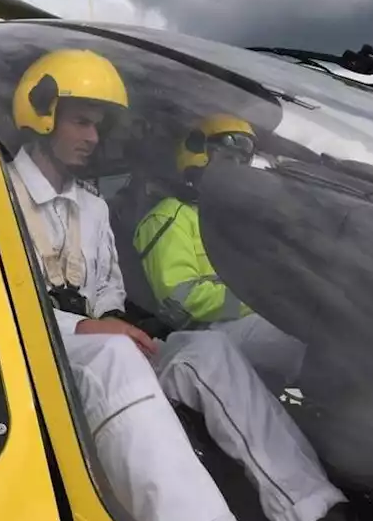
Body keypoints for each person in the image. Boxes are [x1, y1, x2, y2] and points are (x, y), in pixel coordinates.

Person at [5, 48, 355, 521]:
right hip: (24, 350)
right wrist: (86, 326)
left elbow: (107, 289)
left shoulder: (92, 209)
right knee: (113, 354)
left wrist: (117, 322)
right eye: (81, 123)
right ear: (41, 113)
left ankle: (314, 510)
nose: (92, 138)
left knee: (206, 349)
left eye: (97, 127)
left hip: (91, 344)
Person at [132, 113, 309, 393]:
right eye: (228, 159)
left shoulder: (230, 219)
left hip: (238, 325)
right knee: (299, 338)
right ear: (198, 158)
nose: (236, 170)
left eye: (242, 161)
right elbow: (179, 299)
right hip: (199, 336)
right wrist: (259, 301)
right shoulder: (169, 215)